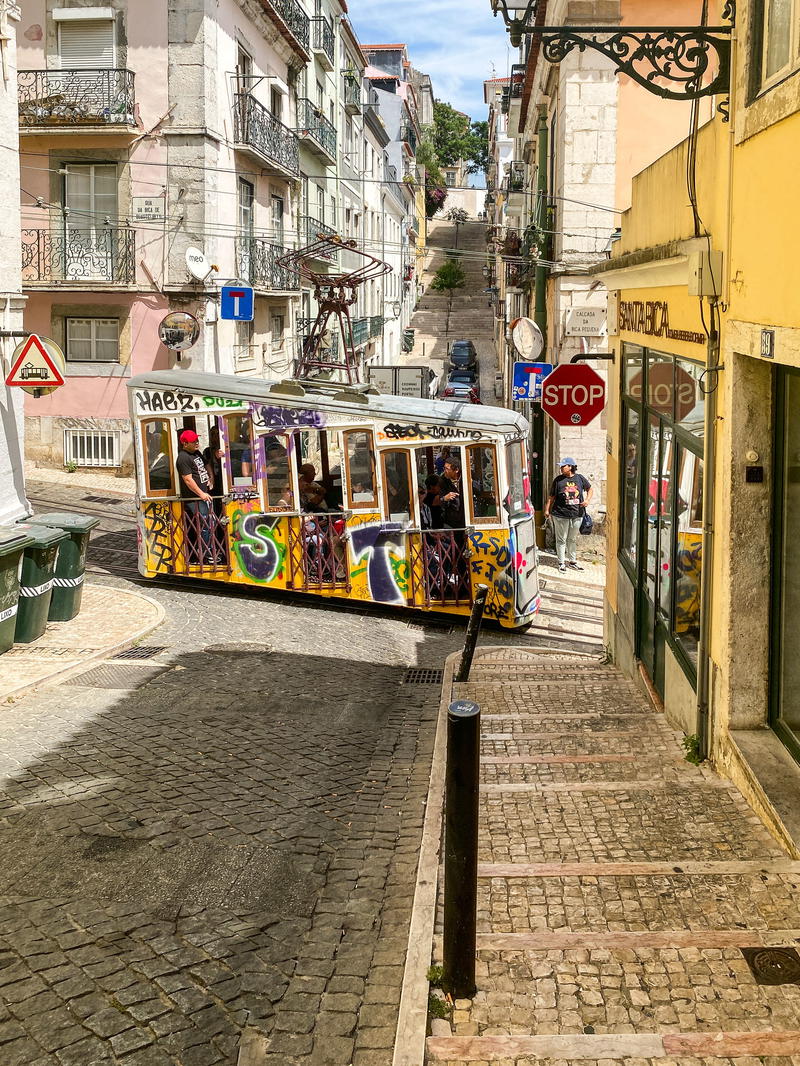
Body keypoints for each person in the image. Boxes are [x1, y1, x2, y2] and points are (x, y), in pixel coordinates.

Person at [544, 457, 593, 573]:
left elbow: (590, 489)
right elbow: (552, 497)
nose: (561, 468)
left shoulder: (580, 478)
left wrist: (587, 500)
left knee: (572, 539)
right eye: (561, 466)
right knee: (561, 539)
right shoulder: (558, 480)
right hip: (560, 514)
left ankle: (572, 562)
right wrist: (547, 510)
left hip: (577, 514)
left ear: (570, 467)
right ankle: (561, 563)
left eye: (563, 466)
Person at [176, 429, 216, 563]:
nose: (197, 443)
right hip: (195, 499)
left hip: (204, 496)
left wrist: (211, 478)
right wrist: (201, 494)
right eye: (194, 442)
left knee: (210, 523)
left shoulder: (196, 452)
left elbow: (206, 464)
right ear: (185, 443)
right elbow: (188, 479)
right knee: (205, 524)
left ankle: (210, 550)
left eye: (197, 441)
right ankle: (207, 552)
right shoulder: (183, 458)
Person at [203, 426, 225, 517]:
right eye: (213, 434)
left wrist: (224, 457)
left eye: (217, 434)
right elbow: (206, 465)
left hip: (224, 482)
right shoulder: (207, 451)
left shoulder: (226, 449)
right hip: (213, 485)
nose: (215, 437)